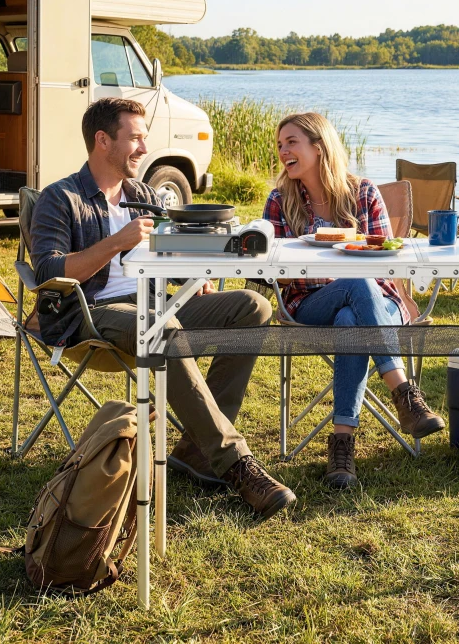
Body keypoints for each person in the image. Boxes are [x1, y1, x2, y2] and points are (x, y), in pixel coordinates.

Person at [30, 97, 295, 520]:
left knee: (253, 306)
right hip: (89, 312)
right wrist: (117, 242)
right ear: (103, 140)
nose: (143, 147)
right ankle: (235, 464)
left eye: (144, 138)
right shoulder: (60, 198)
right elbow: (48, 270)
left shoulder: (145, 194)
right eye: (135, 138)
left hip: (153, 304)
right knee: (160, 327)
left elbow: (167, 252)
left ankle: (195, 450)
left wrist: (195, 272)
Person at [263, 112, 445, 489]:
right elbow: (277, 273)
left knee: (353, 314)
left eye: (291, 142)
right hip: (310, 305)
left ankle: (342, 444)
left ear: (319, 146)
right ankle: (402, 392)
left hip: (380, 300)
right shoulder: (280, 201)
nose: (283, 151)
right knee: (355, 284)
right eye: (280, 145)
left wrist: (343, 264)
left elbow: (386, 263)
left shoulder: (362, 192)